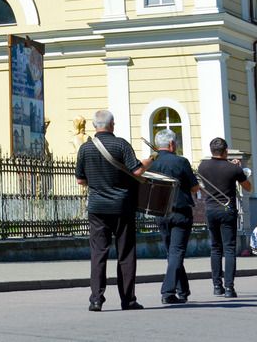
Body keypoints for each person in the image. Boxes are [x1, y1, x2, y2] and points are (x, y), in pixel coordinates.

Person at [75, 109, 151, 311]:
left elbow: (81, 180)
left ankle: (96, 299)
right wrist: (150, 160)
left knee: (98, 253)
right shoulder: (121, 145)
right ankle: (128, 299)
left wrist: (98, 182)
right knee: (125, 253)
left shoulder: (85, 148)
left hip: (97, 208)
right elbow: (136, 170)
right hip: (122, 206)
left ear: (94, 126)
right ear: (112, 125)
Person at [147, 129, 198, 304]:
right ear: (171, 144)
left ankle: (183, 291)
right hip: (180, 211)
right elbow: (194, 188)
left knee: (172, 253)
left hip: (160, 212)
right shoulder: (181, 161)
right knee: (176, 252)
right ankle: (168, 292)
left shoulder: (152, 163)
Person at [196, 137, 251, 298]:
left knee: (215, 248)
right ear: (226, 151)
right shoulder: (232, 168)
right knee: (229, 249)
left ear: (211, 150)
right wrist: (237, 169)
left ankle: (216, 286)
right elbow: (247, 187)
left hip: (211, 209)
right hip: (227, 210)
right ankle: (229, 288)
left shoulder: (202, 166)